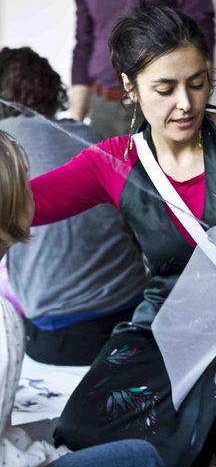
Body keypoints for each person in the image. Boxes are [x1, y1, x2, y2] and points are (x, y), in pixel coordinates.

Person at [28, 0, 216, 467]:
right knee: (82, 427)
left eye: (197, 83)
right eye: (164, 89)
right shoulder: (113, 160)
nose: (185, 104)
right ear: (131, 88)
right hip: (166, 329)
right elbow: (26, 203)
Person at [0, 130, 167, 467]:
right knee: (143, 457)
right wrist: (43, 456)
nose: (36, 189)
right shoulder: (4, 321)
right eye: (26, 184)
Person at [0, 47, 147, 366]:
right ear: (53, 93)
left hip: (61, 336)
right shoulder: (89, 135)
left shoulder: (4, 147)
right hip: (133, 311)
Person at [71, 0, 215, 138]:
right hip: (102, 104)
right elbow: (83, 44)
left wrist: (193, 112)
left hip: (161, 102)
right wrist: (74, 124)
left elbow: (201, 31)